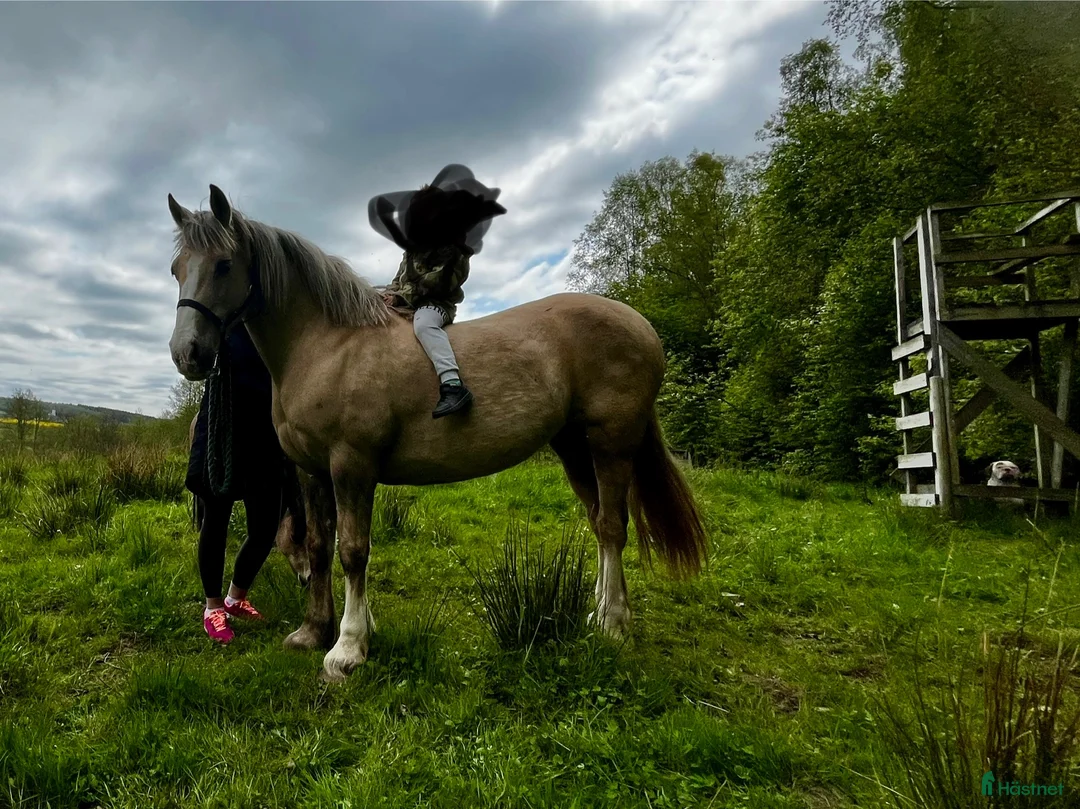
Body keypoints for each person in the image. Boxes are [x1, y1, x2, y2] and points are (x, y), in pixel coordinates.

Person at [368, 164, 506, 419]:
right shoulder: (412, 251)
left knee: (424, 326)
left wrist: (399, 297)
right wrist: (387, 295)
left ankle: (452, 384)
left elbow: (436, 284)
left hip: (435, 306)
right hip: (406, 303)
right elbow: (399, 279)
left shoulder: (453, 251)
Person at [185, 324, 295, 644]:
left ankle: (236, 597)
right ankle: (213, 608)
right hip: (223, 423)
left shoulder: (273, 322)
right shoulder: (223, 320)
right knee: (215, 520)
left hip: (266, 431)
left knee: (265, 529)